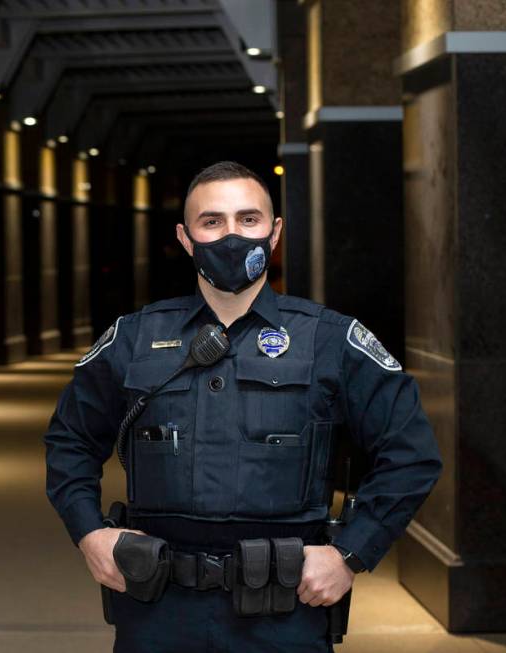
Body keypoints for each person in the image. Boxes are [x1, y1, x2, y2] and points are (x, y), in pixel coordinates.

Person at [43, 161, 443, 652]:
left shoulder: (330, 339)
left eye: (248, 220)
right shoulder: (135, 337)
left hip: (284, 613)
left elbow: (411, 455)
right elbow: (69, 441)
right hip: (156, 610)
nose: (232, 236)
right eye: (211, 222)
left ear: (274, 234)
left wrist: (350, 553)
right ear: (185, 238)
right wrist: (89, 534)